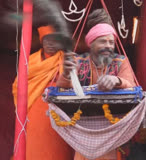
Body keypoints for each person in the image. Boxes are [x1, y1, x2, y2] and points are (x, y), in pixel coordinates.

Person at [57, 9, 136, 160]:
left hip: (112, 132)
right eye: (102, 41)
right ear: (91, 43)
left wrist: (117, 81)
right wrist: (67, 74)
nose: (108, 46)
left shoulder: (120, 62)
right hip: (83, 132)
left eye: (111, 42)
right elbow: (60, 88)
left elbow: (131, 85)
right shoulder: (78, 62)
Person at [12, 25, 73, 160]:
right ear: (41, 42)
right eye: (47, 40)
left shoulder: (67, 60)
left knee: (58, 149)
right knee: (34, 147)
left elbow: (74, 86)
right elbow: (17, 85)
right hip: (34, 110)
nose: (50, 44)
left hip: (59, 111)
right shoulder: (30, 61)